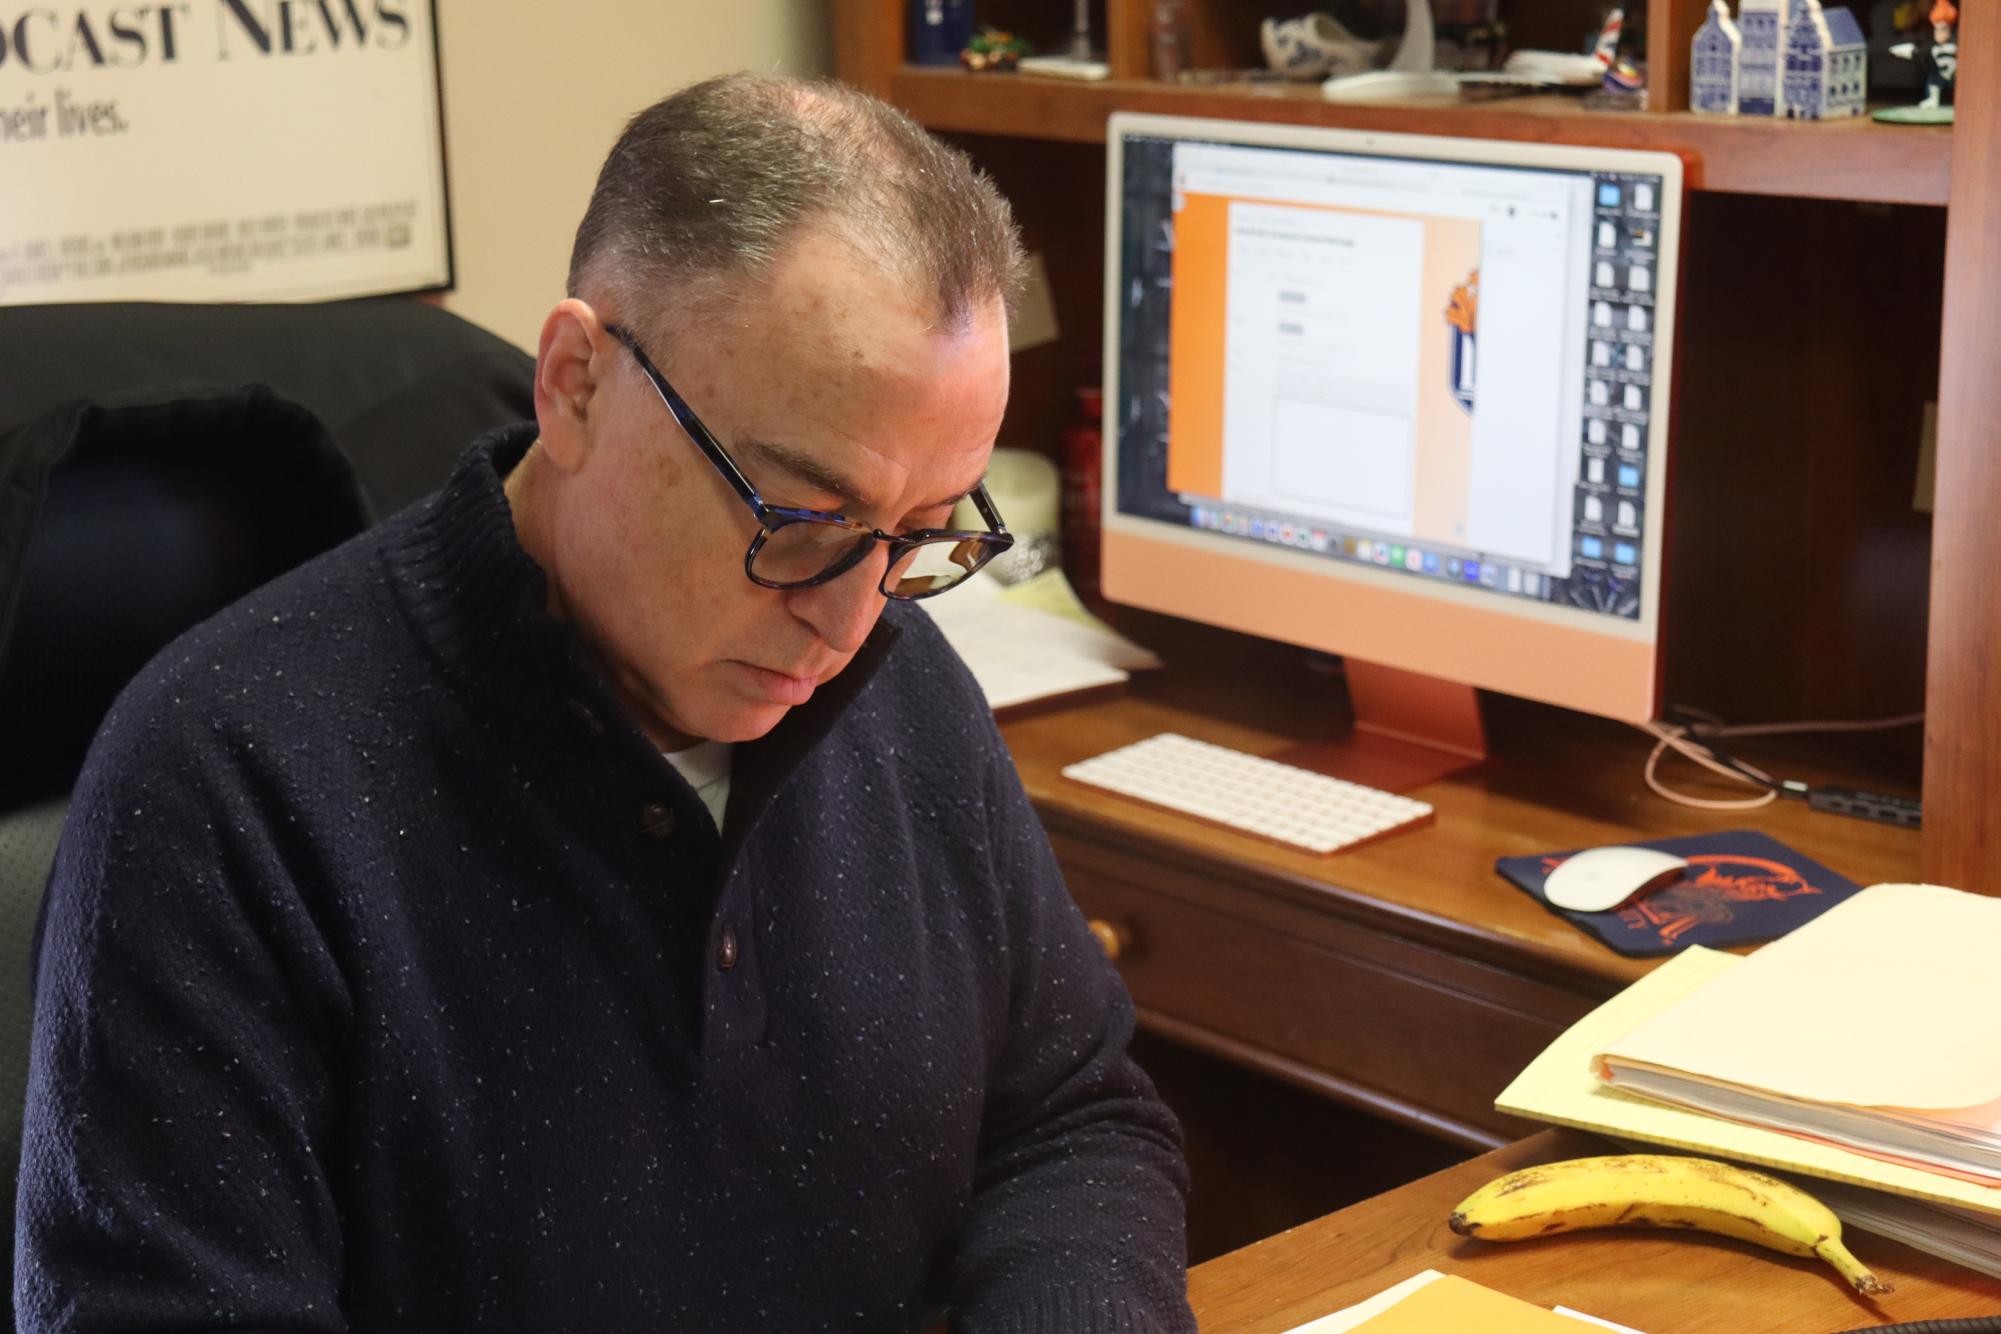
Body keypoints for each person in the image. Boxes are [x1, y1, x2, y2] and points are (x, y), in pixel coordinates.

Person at [16, 73, 1195, 1331]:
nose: (853, 620)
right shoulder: (223, 786)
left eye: (918, 534)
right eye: (801, 517)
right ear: (574, 382)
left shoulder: (903, 690)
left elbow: (1073, 1115)